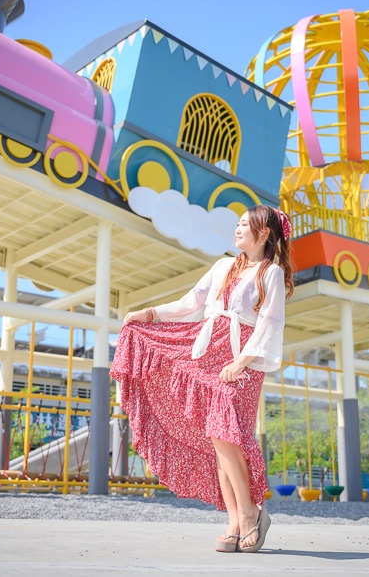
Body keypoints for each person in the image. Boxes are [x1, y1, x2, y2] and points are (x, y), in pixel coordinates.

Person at [111, 204, 294, 553]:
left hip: (243, 359)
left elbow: (270, 323)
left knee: (228, 437)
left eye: (245, 224)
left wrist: (241, 362)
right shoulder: (223, 266)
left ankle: (251, 515)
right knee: (217, 440)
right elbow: (190, 303)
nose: (237, 228)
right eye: (238, 223)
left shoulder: (270, 273)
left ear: (265, 233)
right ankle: (235, 520)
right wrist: (149, 314)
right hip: (207, 353)